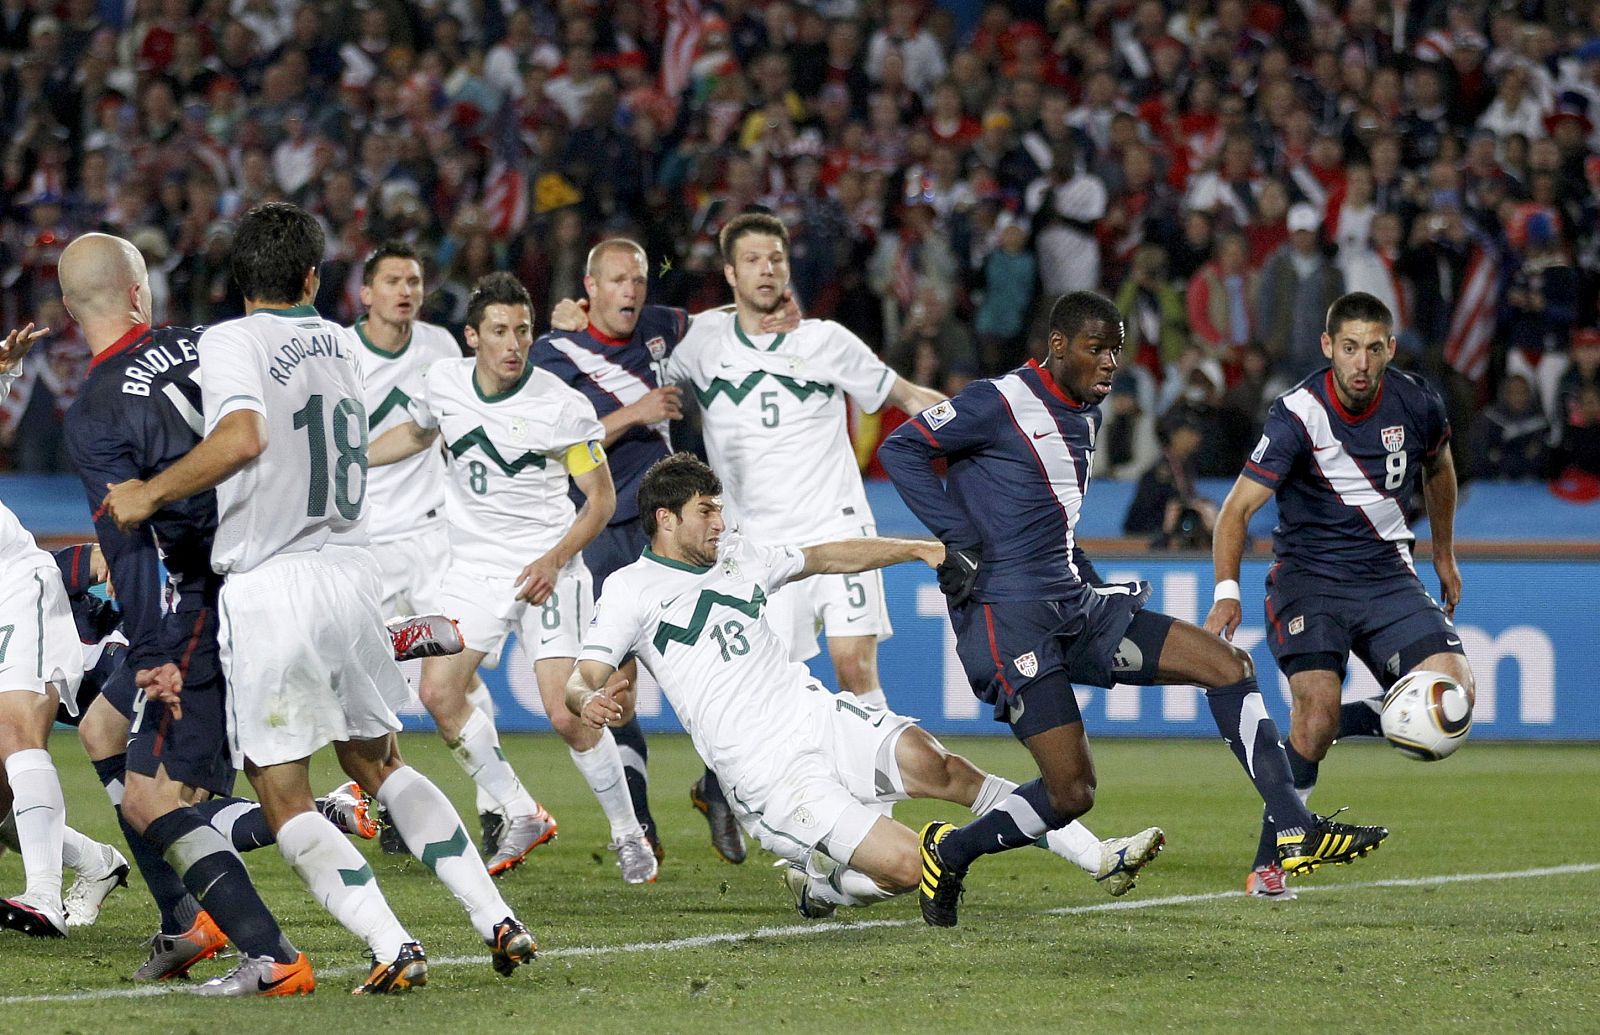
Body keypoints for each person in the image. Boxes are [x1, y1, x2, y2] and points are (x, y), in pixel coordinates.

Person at [103, 203, 536, 993]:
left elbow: (242, 437)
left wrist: (148, 492)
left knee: (282, 790)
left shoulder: (230, 340)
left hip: (275, 583)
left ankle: (392, 941)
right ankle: (497, 916)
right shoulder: (340, 340)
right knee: (380, 761)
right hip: (352, 570)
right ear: (312, 275)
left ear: (239, 280)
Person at [879, 290, 1389, 928]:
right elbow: (902, 449)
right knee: (1072, 792)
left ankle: (1292, 827)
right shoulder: (1000, 400)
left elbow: (1049, 526)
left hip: (1077, 606)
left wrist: (1092, 580)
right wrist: (960, 541)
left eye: (1116, 351)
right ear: (1058, 344)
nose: (1109, 363)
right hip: (1007, 621)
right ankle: (951, 852)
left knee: (1228, 665)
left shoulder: (1085, 416)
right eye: (1096, 349)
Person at [565, 453, 1166, 920]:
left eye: (720, 508)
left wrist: (914, 548)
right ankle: (823, 888)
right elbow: (583, 677)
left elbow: (829, 556)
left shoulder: (741, 555)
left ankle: (1099, 857)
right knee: (908, 868)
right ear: (666, 520)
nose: (721, 522)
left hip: (816, 716)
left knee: (945, 768)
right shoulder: (630, 589)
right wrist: (586, 699)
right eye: (706, 511)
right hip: (764, 770)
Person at [369, 271, 657, 884]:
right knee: (438, 695)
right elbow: (419, 432)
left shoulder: (560, 405)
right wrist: (354, 455)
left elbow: (600, 501)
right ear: (472, 336)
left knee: (567, 715)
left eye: (523, 331)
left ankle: (629, 833)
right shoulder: (443, 382)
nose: (513, 344)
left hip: (548, 569)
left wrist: (554, 560)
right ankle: (522, 811)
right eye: (499, 331)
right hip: (473, 570)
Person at [1204, 291, 1477, 901]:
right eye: (1349, 348)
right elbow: (1235, 510)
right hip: (1310, 583)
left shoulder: (1418, 401)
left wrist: (1443, 552)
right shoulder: (1296, 414)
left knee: (1454, 701)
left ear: (1390, 350)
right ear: (1328, 347)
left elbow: (1440, 469)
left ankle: (1307, 739)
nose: (1361, 362)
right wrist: (1227, 591)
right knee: (1317, 712)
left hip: (1387, 577)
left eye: (1373, 349)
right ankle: (1269, 864)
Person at [530, 238, 690, 861]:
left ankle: (724, 792)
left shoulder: (660, 328)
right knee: (617, 684)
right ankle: (641, 825)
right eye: (618, 280)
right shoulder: (553, 353)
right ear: (590, 287)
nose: (632, 291)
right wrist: (635, 412)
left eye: (641, 280)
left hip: (669, 526)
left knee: (710, 666)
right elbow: (544, 435)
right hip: (601, 527)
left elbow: (713, 324)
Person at [350, 239, 510, 859]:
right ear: (366, 293)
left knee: (457, 670)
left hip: (434, 535)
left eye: (414, 280)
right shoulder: (339, 352)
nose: (406, 291)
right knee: (373, 679)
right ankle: (395, 795)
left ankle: (497, 802)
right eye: (392, 280)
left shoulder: (441, 348)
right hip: (363, 540)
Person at [0, 321, 87, 940]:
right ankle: (96, 864)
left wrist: (4, 370)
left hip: (12, 582)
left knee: (16, 732)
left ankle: (44, 897)